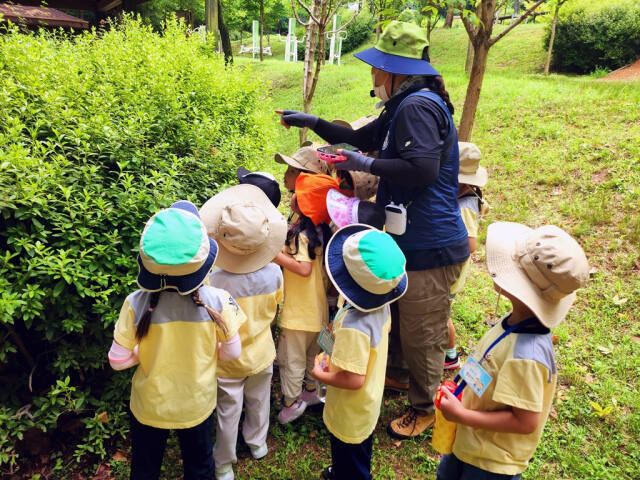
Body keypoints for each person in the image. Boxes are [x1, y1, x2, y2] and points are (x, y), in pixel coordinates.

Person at [276, 20, 469, 439]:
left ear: (395, 70)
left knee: (423, 330)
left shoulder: (417, 106)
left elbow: (422, 169)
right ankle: (402, 375)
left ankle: (424, 407)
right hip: (409, 236)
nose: (373, 76)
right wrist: (313, 122)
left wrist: (362, 164)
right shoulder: (404, 104)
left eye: (377, 68)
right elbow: (359, 136)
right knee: (402, 314)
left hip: (430, 242)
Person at [437, 222, 589, 479]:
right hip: (469, 440)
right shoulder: (516, 318)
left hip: (490, 462)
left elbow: (525, 421)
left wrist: (462, 415)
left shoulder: (526, 357)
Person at [107, 201, 245, 480]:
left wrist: (140, 353)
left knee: (145, 468)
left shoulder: (136, 302)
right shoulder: (217, 300)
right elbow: (233, 352)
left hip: (149, 406)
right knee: (199, 466)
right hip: (196, 402)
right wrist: (208, 352)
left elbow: (117, 360)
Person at [199, 185, 287, 480]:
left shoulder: (214, 278)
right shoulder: (275, 273)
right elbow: (277, 305)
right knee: (259, 400)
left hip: (227, 358)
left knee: (228, 409)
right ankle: (257, 443)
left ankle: (223, 463)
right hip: (261, 352)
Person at [312, 224, 408, 480]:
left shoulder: (355, 327)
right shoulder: (381, 302)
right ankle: (344, 471)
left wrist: (320, 375)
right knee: (358, 450)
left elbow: (353, 379)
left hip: (350, 411)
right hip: (367, 404)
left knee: (349, 453)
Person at [272, 174, 337, 423]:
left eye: (296, 193)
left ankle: (291, 402)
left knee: (291, 360)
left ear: (305, 202)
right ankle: (311, 391)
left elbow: (303, 269)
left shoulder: (300, 235)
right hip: (318, 311)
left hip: (297, 314)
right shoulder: (322, 230)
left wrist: (275, 256)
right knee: (312, 355)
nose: (291, 196)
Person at [445, 142, 490, 370]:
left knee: (442, 314)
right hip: (453, 263)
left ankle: (450, 356)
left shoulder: (465, 206)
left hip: (454, 266)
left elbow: (470, 244)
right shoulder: (470, 194)